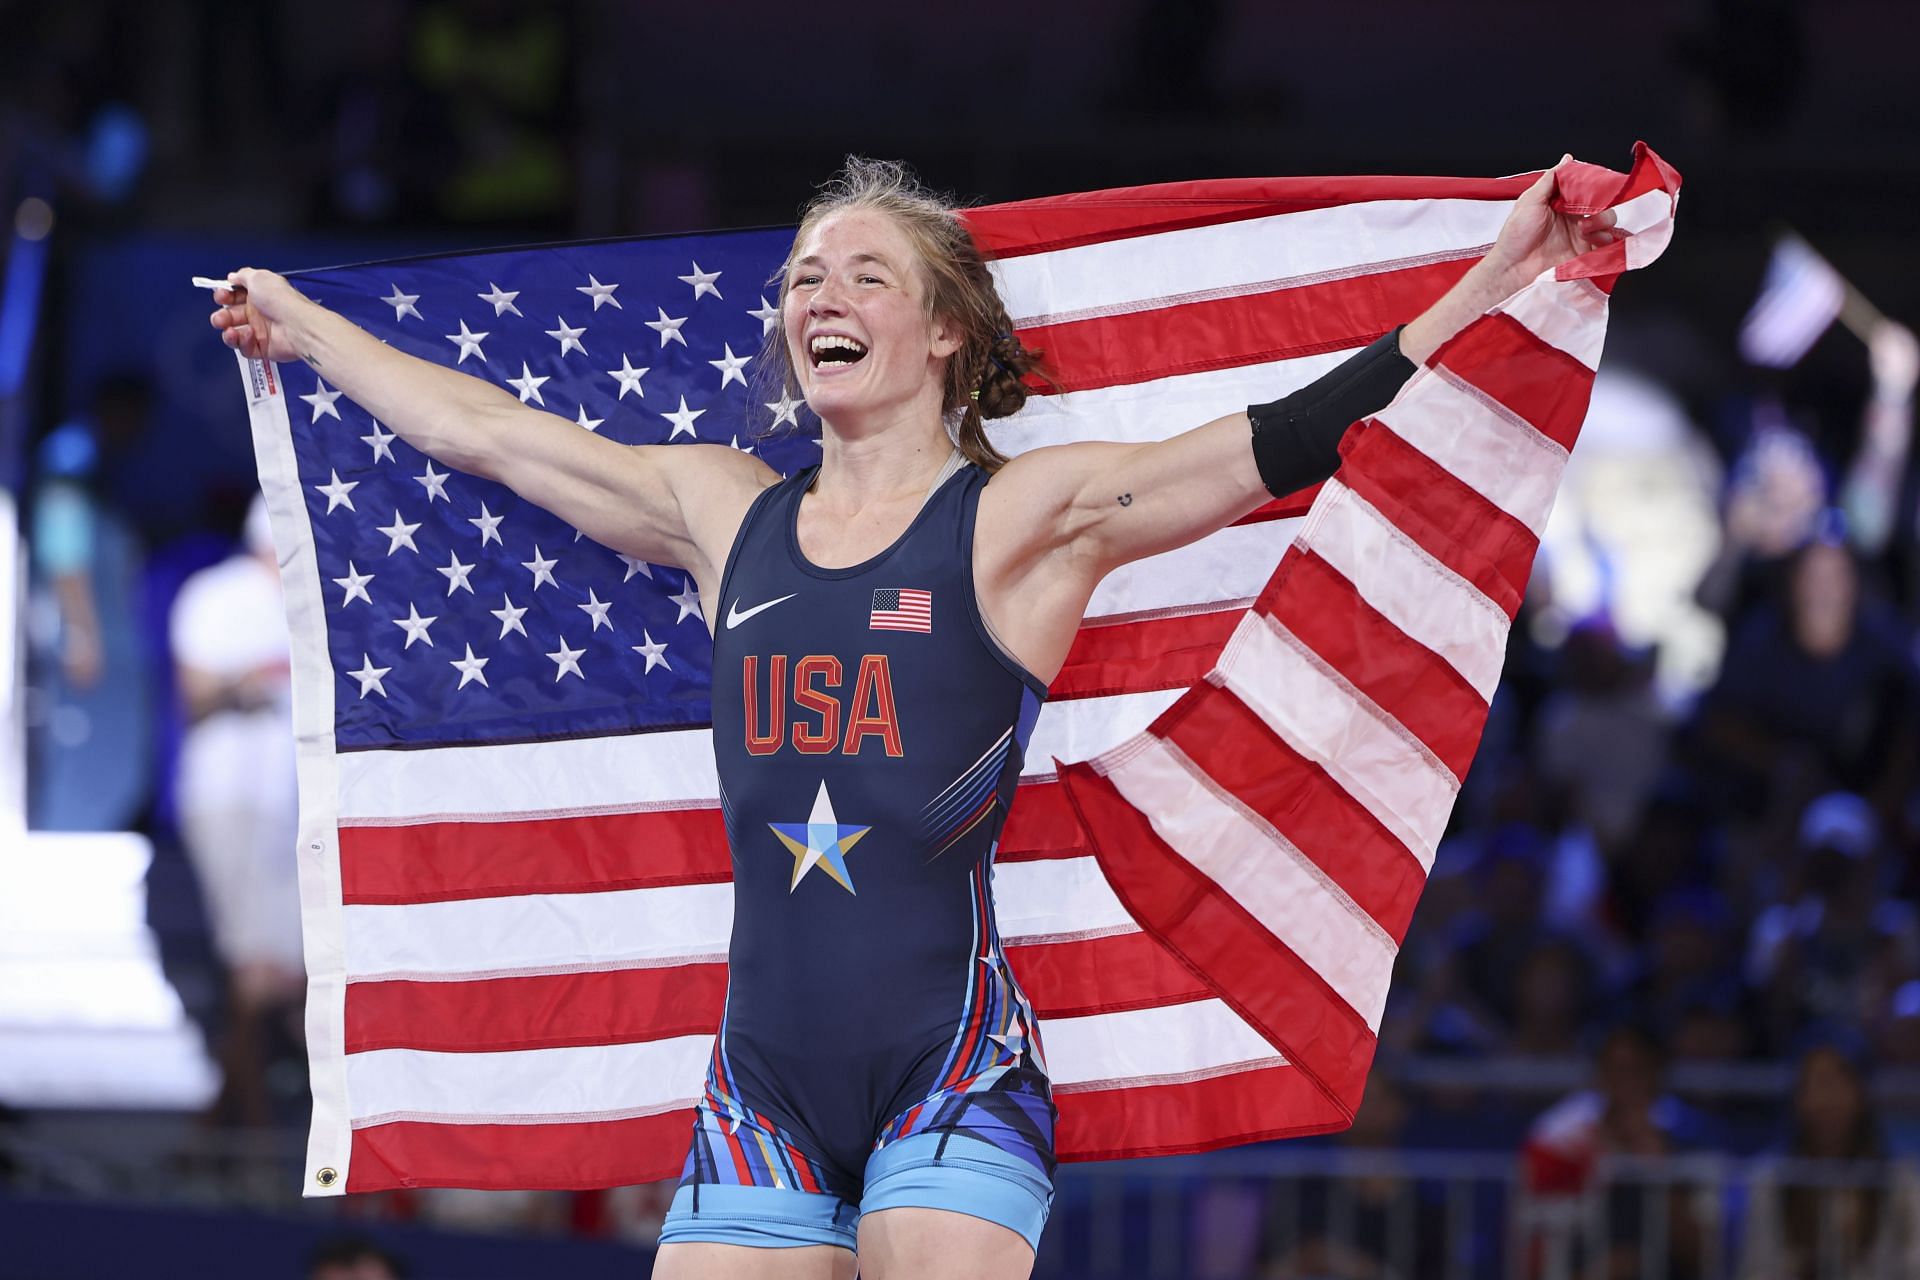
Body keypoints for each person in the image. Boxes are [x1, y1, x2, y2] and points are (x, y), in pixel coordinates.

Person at [210, 155, 1623, 1280]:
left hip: (955, 1080)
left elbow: (1272, 446)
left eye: (866, 272)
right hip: (757, 1089)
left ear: (944, 331)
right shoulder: (719, 511)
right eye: (807, 272)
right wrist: (308, 327)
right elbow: (494, 436)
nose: (822, 289)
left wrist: (1498, 270)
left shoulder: (1020, 522)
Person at [169, 493, 303, 1127]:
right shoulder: (216, 596)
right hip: (233, 799)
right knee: (258, 969)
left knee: (288, 968)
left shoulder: (312, 600)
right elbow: (192, 694)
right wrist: (245, 683)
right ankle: (248, 1134)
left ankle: (217, 1131)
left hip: (294, 802)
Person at [1738, 1040, 1920, 1280]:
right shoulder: (1770, 1180)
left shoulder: (1898, 1180)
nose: (1827, 1099)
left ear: (1861, 1093)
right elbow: (1757, 1270)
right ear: (1798, 1097)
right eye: (1817, 1084)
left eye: (1839, 1083)